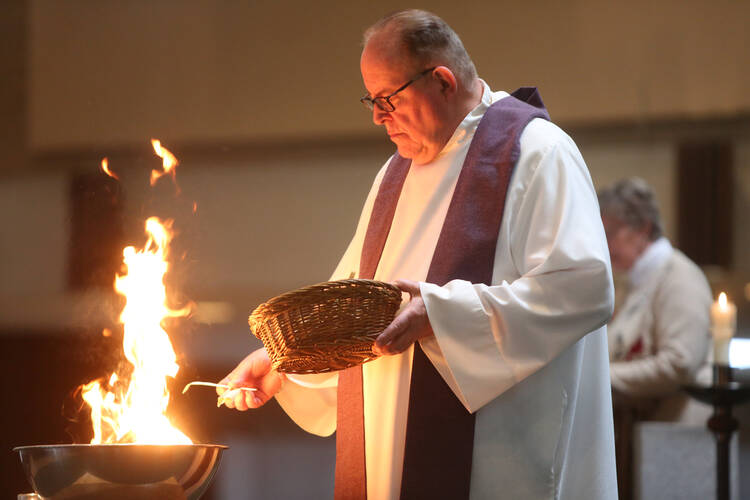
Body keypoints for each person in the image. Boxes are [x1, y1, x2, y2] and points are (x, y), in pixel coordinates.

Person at [219, 10, 618, 500]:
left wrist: (441, 313)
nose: (376, 116)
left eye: (388, 99)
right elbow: (353, 312)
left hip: (500, 457)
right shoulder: (395, 174)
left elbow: (583, 286)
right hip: (390, 459)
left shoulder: (537, 152)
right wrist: (282, 361)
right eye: (371, 100)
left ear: (443, 81)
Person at [599, 177, 712, 423]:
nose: (604, 244)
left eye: (610, 233)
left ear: (643, 229)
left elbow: (679, 364)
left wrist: (601, 377)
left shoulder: (680, 277)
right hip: (642, 427)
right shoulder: (633, 281)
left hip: (676, 432)